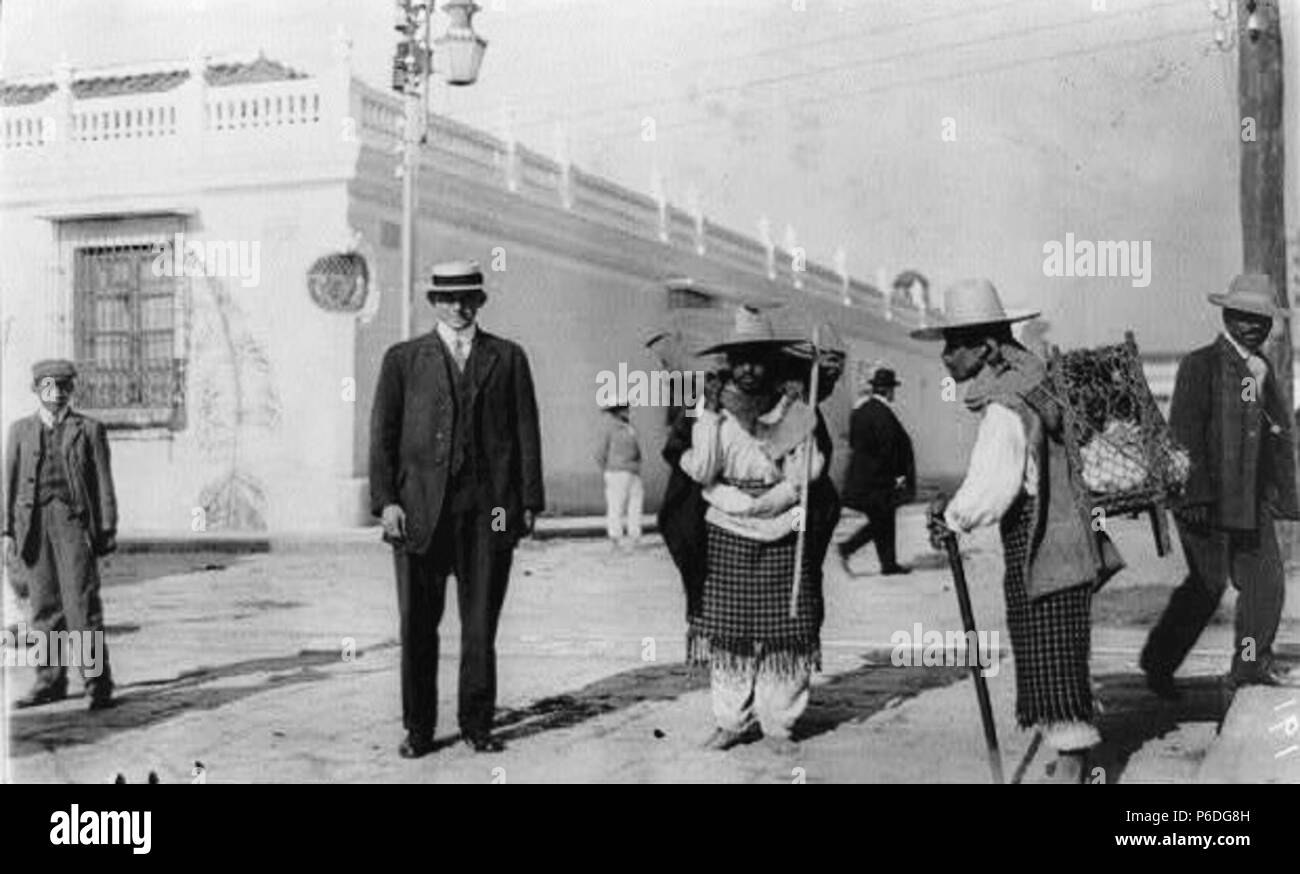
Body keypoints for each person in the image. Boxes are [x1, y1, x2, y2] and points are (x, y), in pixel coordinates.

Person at [918, 279, 1123, 783]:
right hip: (1066, 542)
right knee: (1057, 652)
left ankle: (1073, 768)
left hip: (1045, 550)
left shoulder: (1006, 406)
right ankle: (1073, 761)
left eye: (955, 344)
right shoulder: (1032, 382)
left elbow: (995, 483)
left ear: (987, 348)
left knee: (1051, 657)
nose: (946, 356)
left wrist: (952, 517)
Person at [369, 260, 544, 758]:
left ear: (480, 302)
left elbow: (526, 430)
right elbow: (382, 435)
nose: (459, 307)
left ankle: (477, 723)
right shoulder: (403, 360)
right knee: (418, 625)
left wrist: (527, 501)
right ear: (434, 304)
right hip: (419, 511)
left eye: (468, 297)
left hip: (489, 511)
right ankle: (419, 728)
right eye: (449, 299)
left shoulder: (507, 357)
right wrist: (386, 502)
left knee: (480, 623)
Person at [679, 305, 828, 753]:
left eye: (757, 359)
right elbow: (704, 471)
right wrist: (739, 502)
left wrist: (773, 501)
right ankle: (732, 721)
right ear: (728, 362)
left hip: (783, 527)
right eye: (740, 359)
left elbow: (807, 471)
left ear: (772, 362)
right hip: (727, 525)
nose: (748, 369)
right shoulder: (715, 413)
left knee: (786, 634)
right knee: (730, 635)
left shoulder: (793, 410)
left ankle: (780, 723)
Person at [1141, 274, 1298, 697]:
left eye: (1261, 318)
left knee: (1265, 585)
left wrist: (1284, 494)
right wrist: (1192, 495)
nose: (1253, 325)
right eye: (1244, 316)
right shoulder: (1201, 364)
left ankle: (1249, 664)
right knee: (1207, 587)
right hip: (1205, 502)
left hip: (1252, 502)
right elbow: (1184, 433)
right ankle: (1158, 664)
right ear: (1227, 315)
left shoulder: (1263, 368)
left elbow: (1277, 436)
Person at [2, 359, 117, 711]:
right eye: (47, 387)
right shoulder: (20, 431)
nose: (56, 394)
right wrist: (6, 530)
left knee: (82, 605)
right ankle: (50, 681)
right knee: (44, 608)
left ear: (71, 390)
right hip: (33, 528)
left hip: (72, 524)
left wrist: (105, 530)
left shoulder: (89, 430)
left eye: (63, 387)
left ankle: (97, 683)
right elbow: (8, 482)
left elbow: (103, 485)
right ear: (36, 390)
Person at [837, 367, 916, 576]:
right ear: (889, 391)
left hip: (863, 477)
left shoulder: (861, 411)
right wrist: (899, 477)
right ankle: (846, 549)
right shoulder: (883, 413)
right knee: (882, 521)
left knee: (883, 520)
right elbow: (890, 449)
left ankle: (887, 564)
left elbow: (855, 442)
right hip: (879, 479)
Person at [594, 402, 643, 549]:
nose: (627, 411)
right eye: (623, 409)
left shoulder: (630, 428)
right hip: (617, 472)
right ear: (616, 412)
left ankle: (634, 535)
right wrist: (608, 469)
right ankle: (616, 537)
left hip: (632, 472)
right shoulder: (610, 429)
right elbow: (600, 453)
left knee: (635, 503)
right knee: (617, 504)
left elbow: (637, 450)